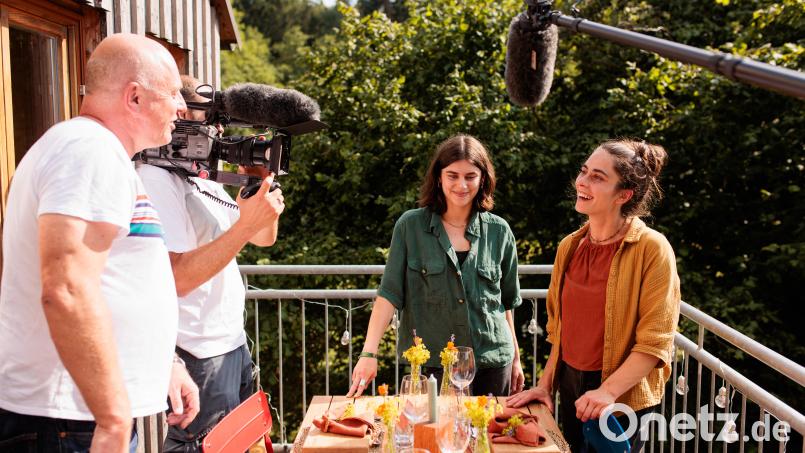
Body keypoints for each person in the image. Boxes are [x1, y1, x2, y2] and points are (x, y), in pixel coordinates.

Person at [0, 33, 198, 453]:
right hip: (69, 421)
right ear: (135, 97)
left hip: (76, 418)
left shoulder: (95, 151)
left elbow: (115, 279)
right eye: (172, 94)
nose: (181, 107)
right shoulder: (89, 151)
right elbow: (67, 288)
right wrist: (112, 417)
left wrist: (164, 363)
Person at [136, 75, 284, 452]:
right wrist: (246, 225)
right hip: (197, 352)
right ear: (182, 117)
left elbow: (263, 237)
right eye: (210, 119)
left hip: (231, 343)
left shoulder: (203, 176)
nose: (218, 130)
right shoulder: (155, 179)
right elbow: (178, 277)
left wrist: (260, 185)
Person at [508, 139, 681, 452]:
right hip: (571, 388)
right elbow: (560, 331)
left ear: (624, 195)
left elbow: (655, 343)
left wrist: (608, 392)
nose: (582, 182)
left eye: (597, 177)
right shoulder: (570, 246)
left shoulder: (652, 249)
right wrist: (545, 385)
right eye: (584, 171)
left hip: (620, 396)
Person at [347, 134, 524, 398]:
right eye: (452, 175)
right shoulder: (410, 227)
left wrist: (516, 360)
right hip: (432, 364)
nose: (461, 185)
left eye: (470, 176)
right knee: (431, 427)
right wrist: (369, 353)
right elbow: (389, 294)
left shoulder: (499, 231)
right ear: (439, 177)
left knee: (489, 427)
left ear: (483, 179)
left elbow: (506, 303)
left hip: (492, 363)